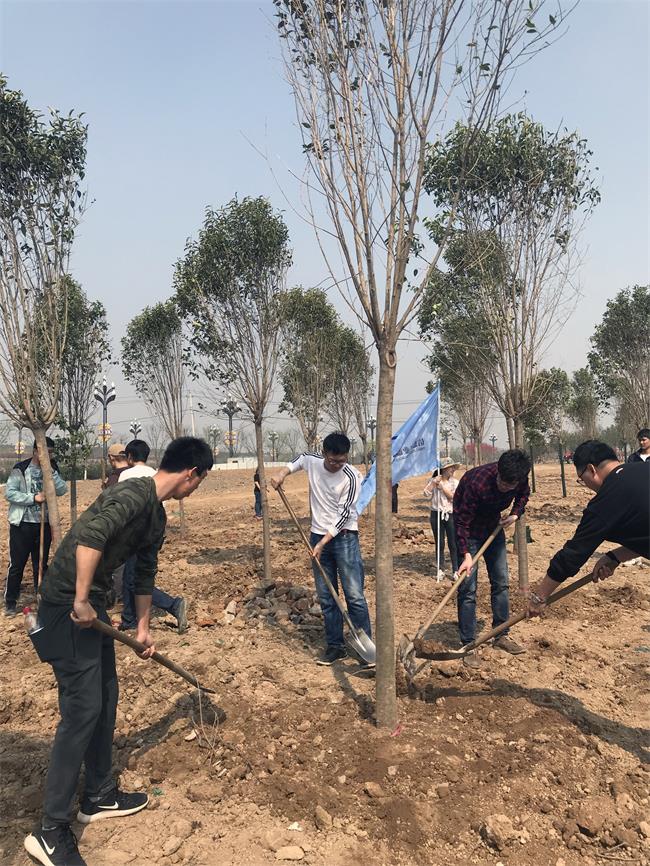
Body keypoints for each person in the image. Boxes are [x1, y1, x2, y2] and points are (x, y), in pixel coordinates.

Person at [24, 436, 213, 866]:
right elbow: (90, 536)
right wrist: (79, 599)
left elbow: (144, 574)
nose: (196, 488)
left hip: (93, 607)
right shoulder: (133, 493)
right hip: (67, 607)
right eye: (200, 481)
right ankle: (50, 830)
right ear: (191, 474)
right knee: (82, 709)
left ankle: (98, 794)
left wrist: (143, 628)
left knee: (106, 697)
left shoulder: (156, 517)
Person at [270, 432, 372, 666]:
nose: (337, 465)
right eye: (333, 460)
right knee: (327, 596)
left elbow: (344, 515)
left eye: (342, 460)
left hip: (344, 537)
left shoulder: (352, 477)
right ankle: (335, 646)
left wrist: (323, 542)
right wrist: (282, 473)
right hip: (317, 535)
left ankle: (365, 648)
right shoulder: (313, 461)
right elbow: (299, 460)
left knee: (354, 595)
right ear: (324, 453)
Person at [528, 440, 649, 617]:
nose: (585, 485)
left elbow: (573, 554)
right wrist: (614, 557)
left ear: (591, 469)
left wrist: (540, 597)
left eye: (582, 479)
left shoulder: (607, 500)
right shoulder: (643, 469)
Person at [453, 449, 531, 668]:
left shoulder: (519, 478)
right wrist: (466, 554)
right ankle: (468, 644)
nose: (504, 487)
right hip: (469, 532)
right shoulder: (476, 482)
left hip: (494, 530)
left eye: (509, 485)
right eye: (502, 482)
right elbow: (461, 521)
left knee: (501, 582)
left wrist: (515, 514)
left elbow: (523, 495)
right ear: (497, 471)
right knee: (468, 588)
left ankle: (501, 634)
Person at [118, 439, 188, 635]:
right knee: (131, 576)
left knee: (135, 580)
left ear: (129, 457)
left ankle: (173, 604)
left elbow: (122, 505)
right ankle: (129, 619)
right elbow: (162, 504)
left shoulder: (125, 475)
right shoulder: (154, 474)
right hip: (153, 532)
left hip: (134, 532)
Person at [4, 438, 67, 617]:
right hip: (22, 525)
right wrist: (33, 498)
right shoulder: (21, 468)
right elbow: (10, 493)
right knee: (17, 565)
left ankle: (42, 600)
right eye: (45, 451)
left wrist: (52, 472)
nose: (48, 455)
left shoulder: (53, 469)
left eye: (51, 452)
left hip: (44, 524)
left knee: (41, 564)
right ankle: (10, 602)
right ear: (35, 451)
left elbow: (61, 490)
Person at [423, 457, 460, 579]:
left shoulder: (455, 483)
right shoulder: (434, 481)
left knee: (453, 542)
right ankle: (440, 569)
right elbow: (426, 493)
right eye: (450, 468)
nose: (453, 470)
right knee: (439, 542)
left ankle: (456, 569)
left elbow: (454, 497)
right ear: (444, 469)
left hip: (450, 514)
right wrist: (433, 484)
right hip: (436, 514)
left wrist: (442, 488)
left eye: (453, 468)